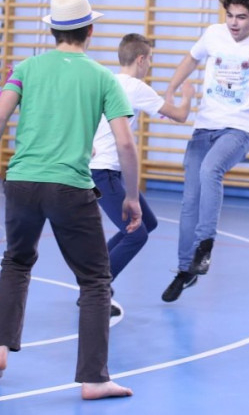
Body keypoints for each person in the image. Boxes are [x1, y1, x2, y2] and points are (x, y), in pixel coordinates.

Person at [0, 0, 140, 400]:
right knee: (95, 280)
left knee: (16, 261)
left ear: (52, 31)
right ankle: (94, 379)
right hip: (70, 188)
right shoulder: (102, 78)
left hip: (22, 183)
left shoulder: (26, 68)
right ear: (90, 31)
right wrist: (131, 197)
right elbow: (125, 143)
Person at [160, 0, 249, 302]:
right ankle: (185, 270)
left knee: (211, 171)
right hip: (205, 127)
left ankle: (205, 245)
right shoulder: (213, 34)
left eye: (241, 17)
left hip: (238, 128)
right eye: (230, 16)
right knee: (190, 200)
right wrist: (170, 89)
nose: (234, 23)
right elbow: (190, 59)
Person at [90, 33, 194, 300]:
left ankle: (95, 276)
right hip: (102, 172)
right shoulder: (136, 87)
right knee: (136, 235)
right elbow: (180, 115)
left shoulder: (107, 81)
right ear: (140, 59)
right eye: (150, 60)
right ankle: (96, 288)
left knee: (148, 222)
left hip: (106, 170)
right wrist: (187, 96)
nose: (149, 65)